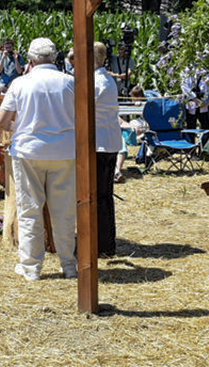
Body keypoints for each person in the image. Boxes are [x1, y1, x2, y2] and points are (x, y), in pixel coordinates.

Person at [0, 37, 76, 281]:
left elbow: (0, 121)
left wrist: (22, 125)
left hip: (29, 151)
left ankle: (31, 267)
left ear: (30, 60)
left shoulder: (20, 83)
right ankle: (69, 264)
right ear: (54, 58)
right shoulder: (70, 82)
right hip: (64, 151)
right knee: (64, 210)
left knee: (29, 210)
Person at [91, 42, 122, 256]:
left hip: (100, 144)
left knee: (99, 196)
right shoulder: (107, 79)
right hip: (110, 142)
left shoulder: (95, 82)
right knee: (105, 196)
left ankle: (102, 244)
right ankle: (106, 243)